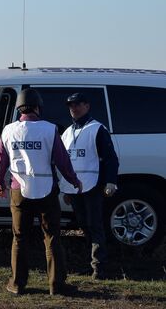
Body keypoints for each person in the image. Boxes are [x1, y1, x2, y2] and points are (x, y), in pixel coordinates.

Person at [0, 88, 83, 296]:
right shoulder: (49, 129)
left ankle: (17, 284)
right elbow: (62, 160)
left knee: (19, 238)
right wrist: (73, 179)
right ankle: (56, 285)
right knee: (52, 238)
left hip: (19, 191)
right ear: (37, 107)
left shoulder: (8, 130)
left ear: (19, 109)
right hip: (46, 191)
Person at [60, 93, 119, 280]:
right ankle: (90, 263)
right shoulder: (67, 132)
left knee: (95, 225)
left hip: (93, 186)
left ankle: (99, 268)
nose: (74, 108)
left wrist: (111, 182)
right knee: (83, 225)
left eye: (78, 104)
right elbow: (63, 163)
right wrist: (66, 189)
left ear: (87, 106)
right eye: (71, 106)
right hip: (75, 188)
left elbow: (111, 158)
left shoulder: (97, 129)